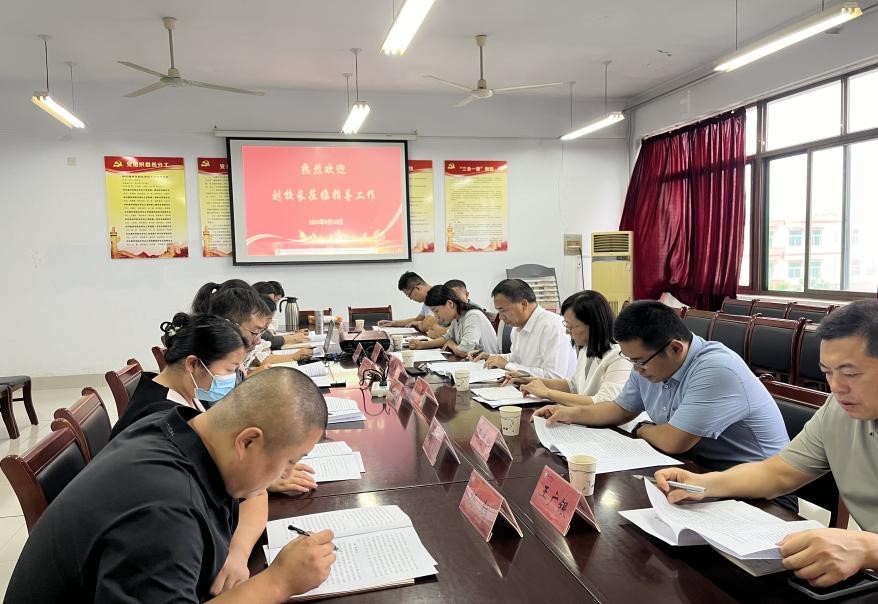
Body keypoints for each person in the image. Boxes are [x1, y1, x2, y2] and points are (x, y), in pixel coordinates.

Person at [5, 368, 336, 603]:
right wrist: (278, 582)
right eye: (289, 460)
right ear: (247, 442)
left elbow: (254, 493)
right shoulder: (164, 511)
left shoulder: (176, 426)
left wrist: (240, 551)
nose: (285, 472)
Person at [653, 299, 878, 588]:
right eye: (827, 372)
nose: (836, 387)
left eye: (850, 374)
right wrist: (703, 484)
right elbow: (778, 473)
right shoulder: (838, 411)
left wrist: (867, 548)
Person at [534, 300, 788, 470]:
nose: (636, 369)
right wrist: (570, 414)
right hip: (694, 468)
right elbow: (619, 409)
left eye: (640, 361)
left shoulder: (716, 369)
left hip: (759, 488)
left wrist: (641, 428)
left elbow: (673, 441)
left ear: (675, 348)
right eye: (630, 360)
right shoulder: (649, 363)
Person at [111, 312, 247, 437]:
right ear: (193, 364)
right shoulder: (161, 418)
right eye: (229, 369)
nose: (233, 376)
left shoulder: (188, 390)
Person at [513, 291, 632, 406]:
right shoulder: (586, 348)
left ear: (593, 324)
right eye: (566, 325)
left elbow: (604, 402)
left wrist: (547, 393)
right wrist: (529, 380)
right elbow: (573, 385)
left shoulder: (620, 355)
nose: (567, 331)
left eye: (570, 326)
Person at [471, 279, 575, 379]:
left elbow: (554, 376)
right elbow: (516, 358)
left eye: (503, 310)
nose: (501, 317)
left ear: (524, 304)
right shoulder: (517, 327)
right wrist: (491, 357)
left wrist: (507, 365)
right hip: (527, 387)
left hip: (550, 391)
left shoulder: (552, 327)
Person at [207, 286, 312, 371]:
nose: (259, 341)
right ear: (229, 327)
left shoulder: (236, 362)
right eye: (254, 332)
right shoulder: (212, 364)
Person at [408, 284, 499, 356]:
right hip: (474, 363)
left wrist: (452, 344)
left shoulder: (472, 316)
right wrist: (421, 345)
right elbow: (446, 338)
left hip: (490, 367)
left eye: (437, 311)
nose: (436, 316)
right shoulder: (456, 318)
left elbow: (464, 351)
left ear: (450, 304)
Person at [377, 271, 446, 336]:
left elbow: (429, 323)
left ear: (418, 288)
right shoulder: (427, 300)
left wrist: (420, 324)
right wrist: (393, 323)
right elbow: (418, 319)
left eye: (409, 295)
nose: (410, 298)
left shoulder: (440, 295)